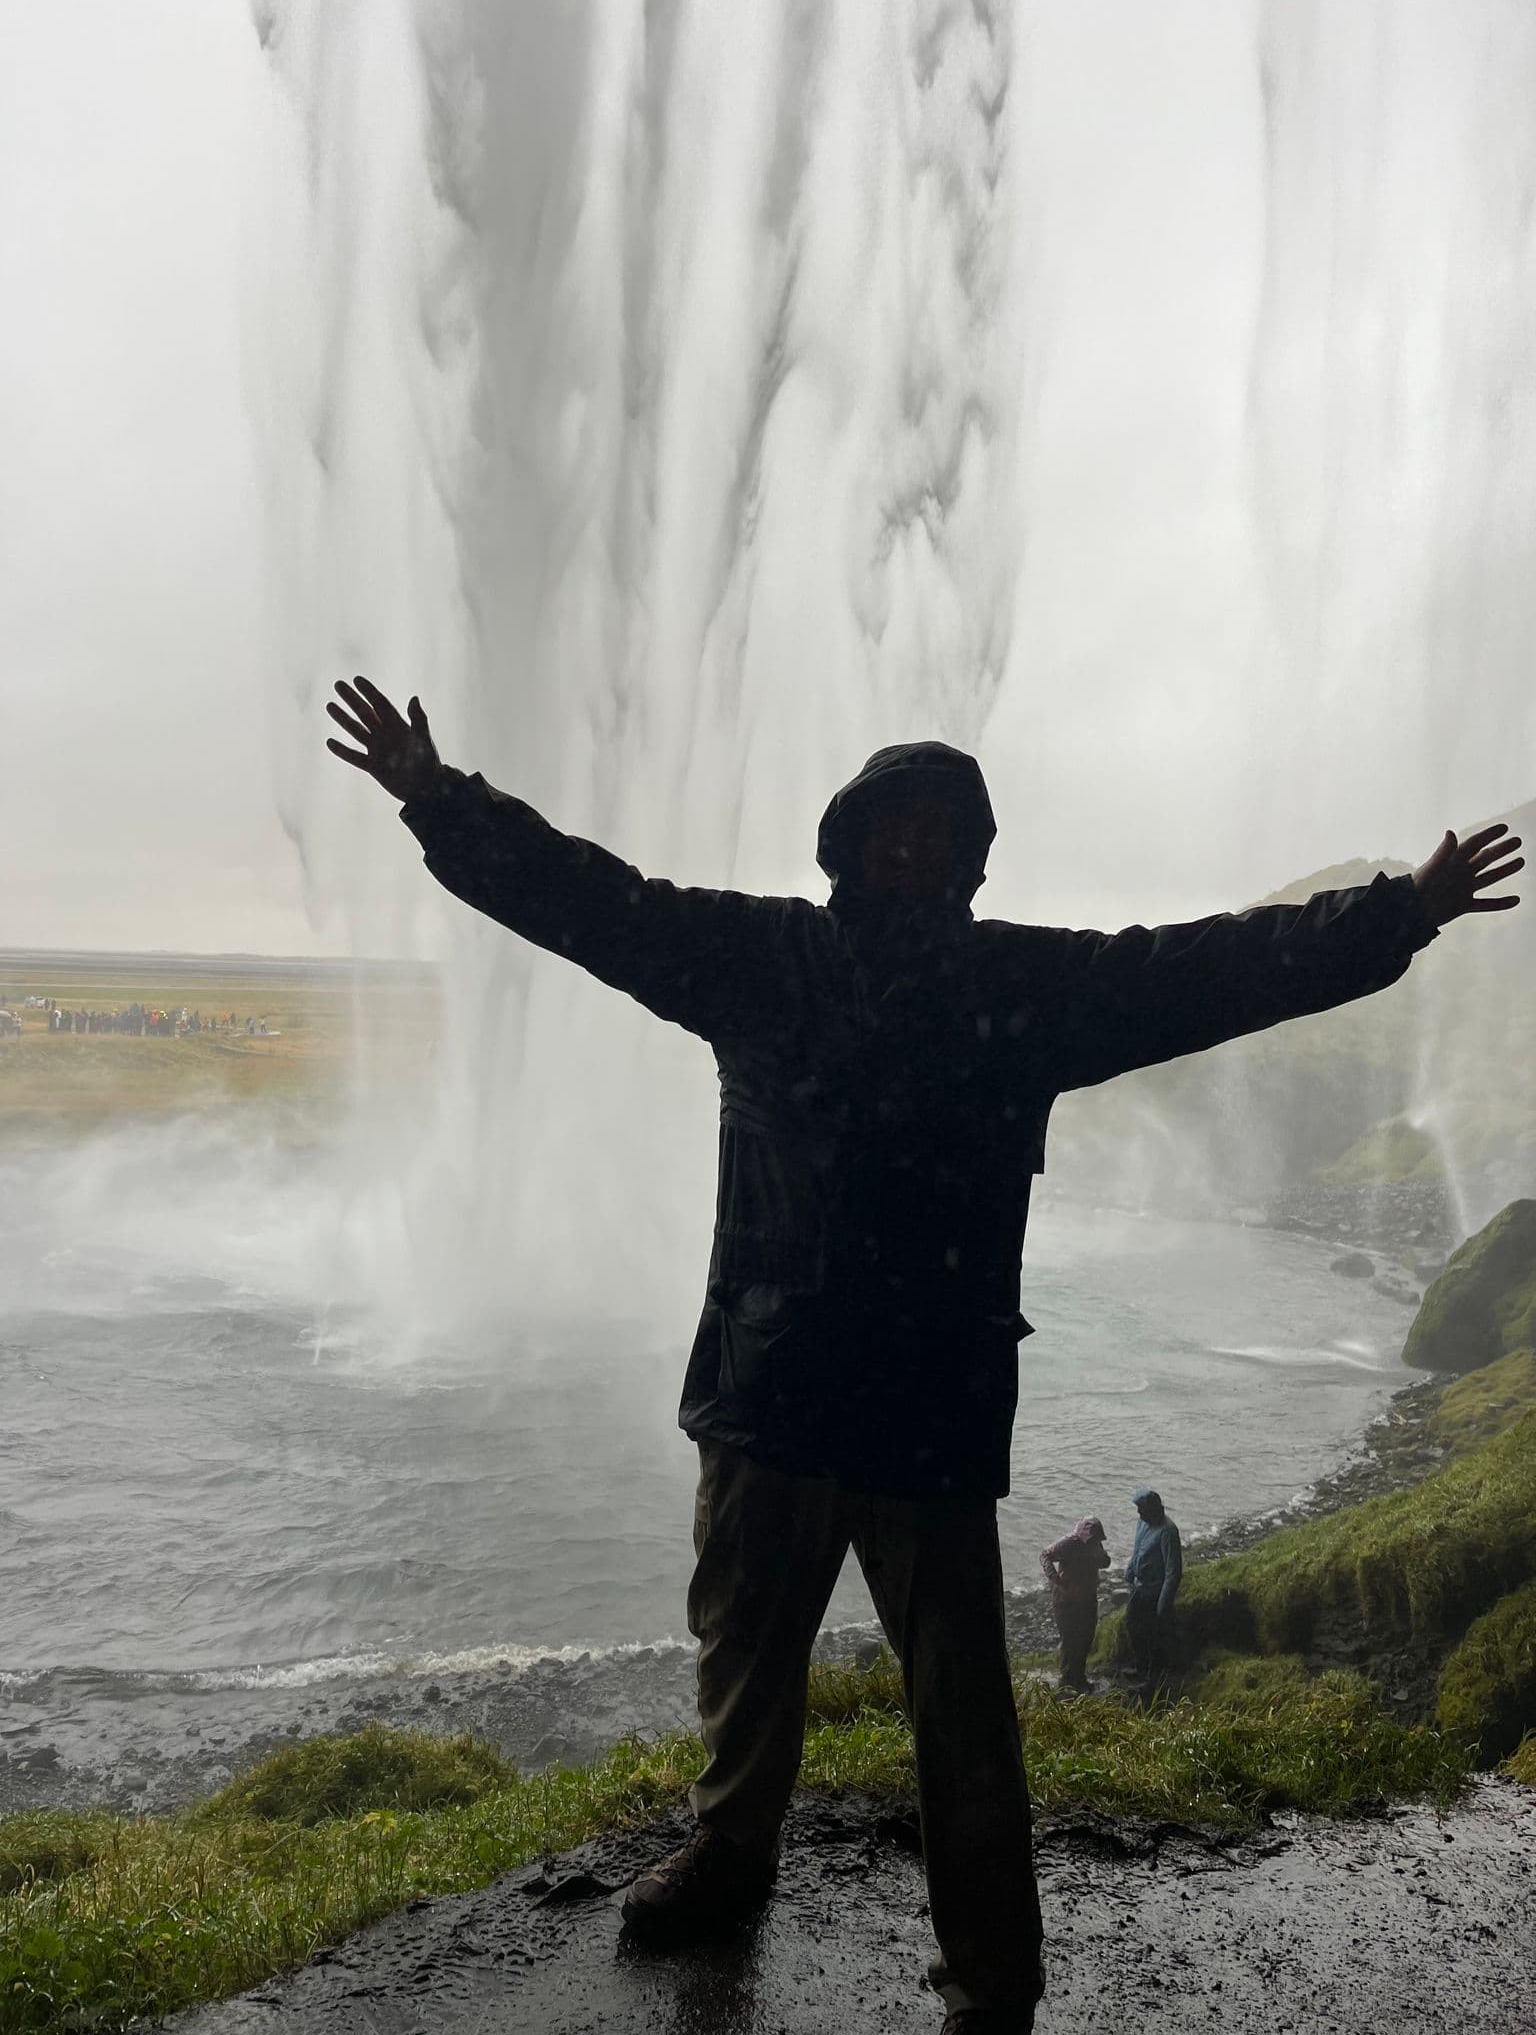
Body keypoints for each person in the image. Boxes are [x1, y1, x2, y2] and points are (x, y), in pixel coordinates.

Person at [326, 673, 1521, 2035]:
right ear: (845, 847)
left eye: (945, 834)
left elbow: (1210, 968)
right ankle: (731, 1854)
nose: (917, 848)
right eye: (894, 827)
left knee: (963, 1714)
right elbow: (599, 904)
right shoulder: (760, 957)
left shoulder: (1027, 984)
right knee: (743, 1656)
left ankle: (992, 1976)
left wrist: (1399, 910)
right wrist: (438, 796)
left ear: (968, 865)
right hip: (771, 1393)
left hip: (926, 1415)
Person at [1039, 1518, 1110, 1694]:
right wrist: (1055, 1579)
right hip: (1066, 1600)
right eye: (1091, 1539)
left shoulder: (1095, 1545)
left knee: (1086, 1638)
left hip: (1087, 1598)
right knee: (1070, 1641)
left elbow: (1106, 1562)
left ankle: (1079, 1678)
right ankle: (1067, 1682)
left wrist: (1100, 1555)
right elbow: (1045, 1555)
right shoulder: (1068, 1543)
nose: (1092, 1542)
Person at [1124, 1489, 1182, 1695]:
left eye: (1142, 1509)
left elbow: (1173, 1571)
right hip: (1140, 1588)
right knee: (1132, 1625)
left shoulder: (1168, 1531)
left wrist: (1163, 1603)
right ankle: (1141, 1667)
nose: (1139, 1513)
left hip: (1155, 1592)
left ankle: (1152, 1681)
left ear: (1153, 1509)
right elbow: (1137, 1549)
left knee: (1152, 1636)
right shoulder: (1143, 1523)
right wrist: (1130, 1571)